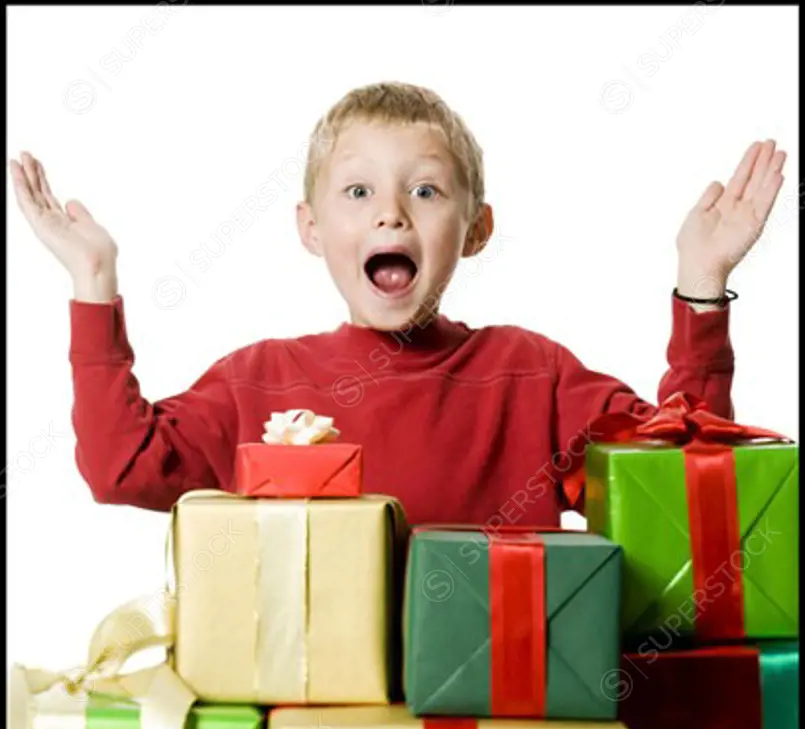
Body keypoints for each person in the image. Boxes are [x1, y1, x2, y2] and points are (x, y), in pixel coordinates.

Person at [9, 82, 786, 527]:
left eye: (424, 190)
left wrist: (701, 288)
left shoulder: (530, 375)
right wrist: (93, 283)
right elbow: (120, 468)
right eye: (357, 191)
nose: (391, 214)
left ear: (475, 230)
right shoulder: (256, 383)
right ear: (311, 229)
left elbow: (682, 488)